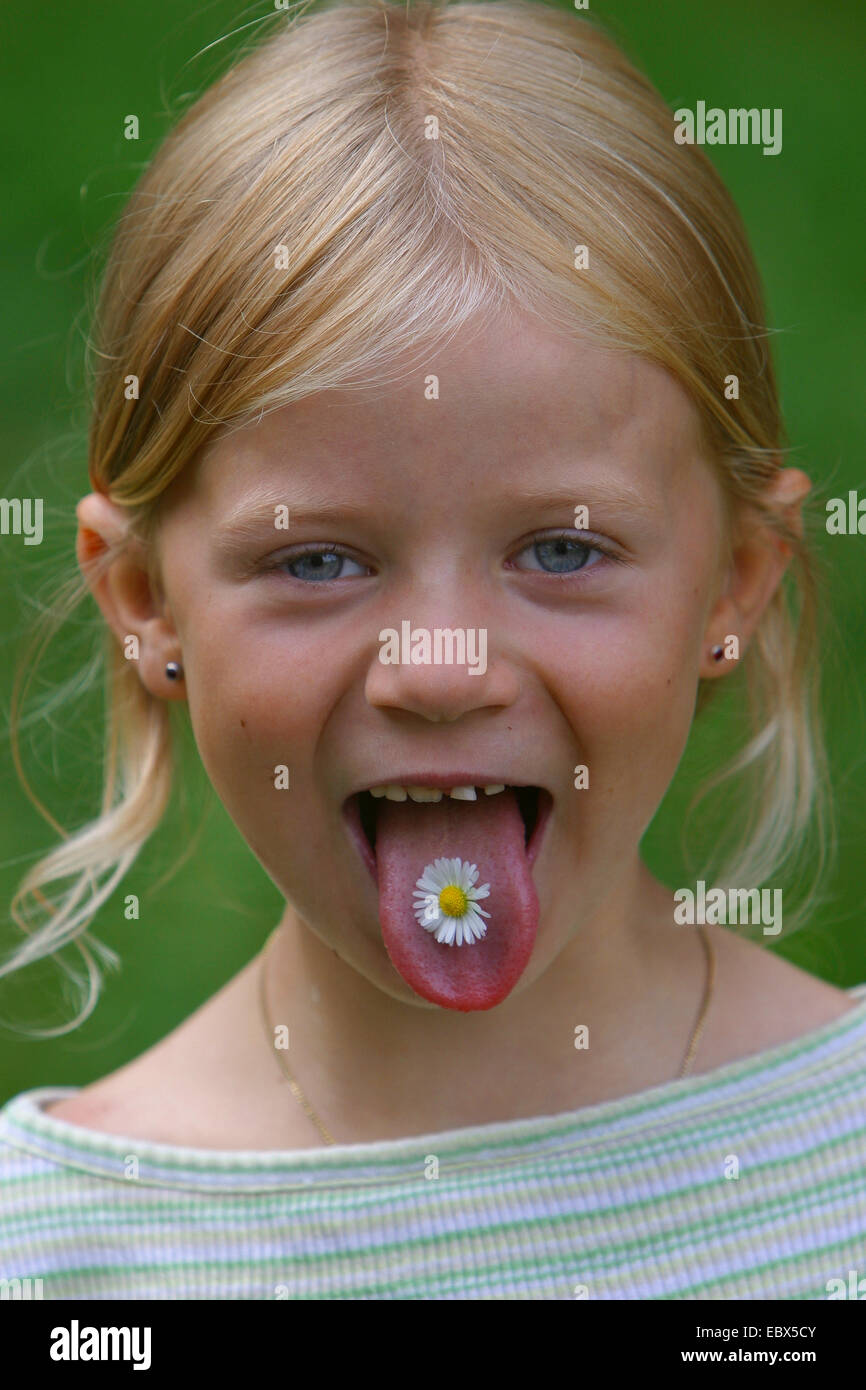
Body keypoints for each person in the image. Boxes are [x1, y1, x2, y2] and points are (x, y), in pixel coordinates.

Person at [1, 0, 864, 1301]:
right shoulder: (65, 1255)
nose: (443, 666)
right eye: (316, 561)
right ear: (143, 600)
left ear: (732, 582)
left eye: (561, 550)